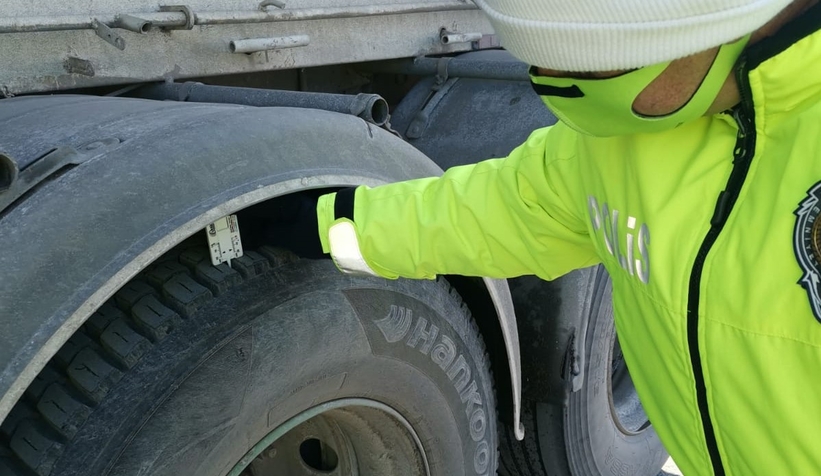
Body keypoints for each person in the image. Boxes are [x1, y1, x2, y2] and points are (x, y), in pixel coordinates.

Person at [258, 0, 821, 474]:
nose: (566, 92)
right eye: (546, 68)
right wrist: (335, 224)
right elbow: (510, 210)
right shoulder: (627, 136)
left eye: (600, 67)